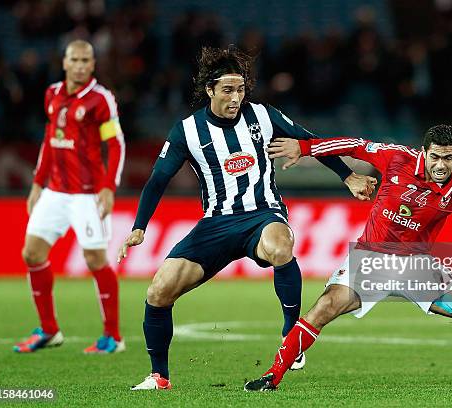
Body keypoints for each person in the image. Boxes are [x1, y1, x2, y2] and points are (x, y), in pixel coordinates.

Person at [118, 46, 377, 390]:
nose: (235, 97)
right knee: (159, 291)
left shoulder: (263, 115)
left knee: (280, 246)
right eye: (227, 90)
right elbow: (157, 180)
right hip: (216, 224)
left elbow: (310, 141)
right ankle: (159, 376)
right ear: (209, 90)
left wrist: (347, 176)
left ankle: (291, 337)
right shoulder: (188, 131)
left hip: (262, 214)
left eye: (240, 90)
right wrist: (139, 227)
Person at [244, 124, 452, 391]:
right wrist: (306, 148)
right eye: (435, 156)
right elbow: (354, 145)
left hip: (417, 267)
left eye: (448, 158)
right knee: (322, 309)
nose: (441, 164)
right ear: (424, 152)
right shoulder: (396, 157)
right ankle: (272, 376)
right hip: (369, 261)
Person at [14, 40, 126, 354]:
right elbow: (50, 139)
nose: (79, 65)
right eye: (74, 59)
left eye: (85, 60)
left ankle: (113, 337)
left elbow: (115, 144)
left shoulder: (100, 100)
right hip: (54, 191)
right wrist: (38, 183)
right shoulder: (52, 94)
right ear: (64, 62)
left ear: (93, 64)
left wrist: (108, 187)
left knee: (95, 260)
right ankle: (49, 331)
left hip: (87, 195)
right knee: (31, 254)